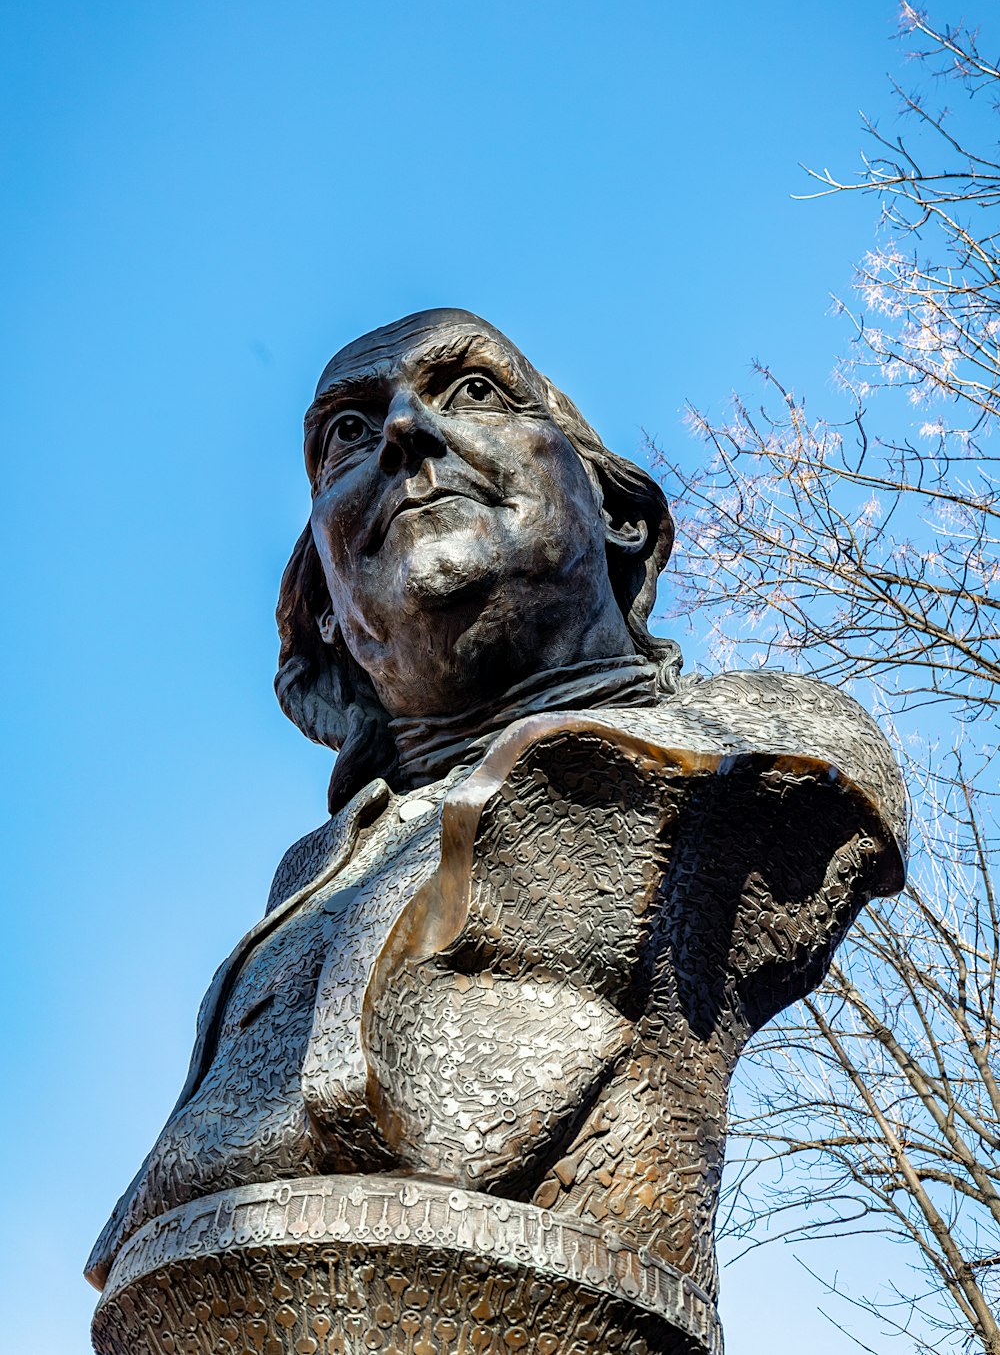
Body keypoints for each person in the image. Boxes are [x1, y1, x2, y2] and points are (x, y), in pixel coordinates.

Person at [87, 309, 905, 1355]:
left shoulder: (770, 747)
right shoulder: (311, 871)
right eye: (344, 433)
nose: (403, 435)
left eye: (475, 391)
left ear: (618, 517)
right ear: (327, 610)